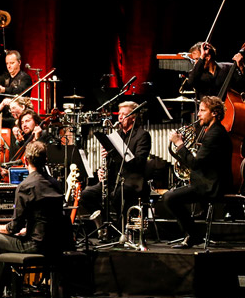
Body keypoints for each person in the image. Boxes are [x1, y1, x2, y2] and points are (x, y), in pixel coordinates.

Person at [0, 141, 68, 292]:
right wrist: (29, 230)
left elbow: (13, 227)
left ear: (25, 160)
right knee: (5, 242)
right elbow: (49, 218)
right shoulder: (56, 183)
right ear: (45, 160)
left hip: (34, 245)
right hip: (54, 244)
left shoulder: (26, 186)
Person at [164, 96, 233, 248]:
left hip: (212, 185)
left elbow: (195, 163)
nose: (199, 114)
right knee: (170, 196)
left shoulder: (215, 134)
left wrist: (179, 144)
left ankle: (193, 235)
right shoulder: (211, 131)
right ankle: (193, 234)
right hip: (205, 181)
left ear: (214, 113)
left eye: (202, 110)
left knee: (170, 198)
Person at [79, 102, 151, 226]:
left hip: (132, 181)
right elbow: (111, 162)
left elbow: (139, 163)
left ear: (133, 117)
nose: (120, 117)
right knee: (86, 194)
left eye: (124, 114)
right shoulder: (115, 135)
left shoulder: (142, 135)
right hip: (113, 180)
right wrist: (103, 169)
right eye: (119, 114)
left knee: (118, 195)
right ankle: (106, 224)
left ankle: (119, 227)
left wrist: (118, 150)